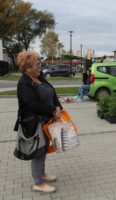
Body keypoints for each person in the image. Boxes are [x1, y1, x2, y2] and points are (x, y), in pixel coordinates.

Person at [14, 50, 62, 193]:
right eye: (37, 64)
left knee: (44, 149)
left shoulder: (39, 77)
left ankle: (41, 174)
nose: (39, 66)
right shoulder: (24, 83)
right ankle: (38, 183)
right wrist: (52, 109)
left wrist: (58, 107)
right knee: (38, 152)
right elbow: (32, 105)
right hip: (34, 123)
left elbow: (51, 92)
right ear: (28, 67)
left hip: (47, 120)